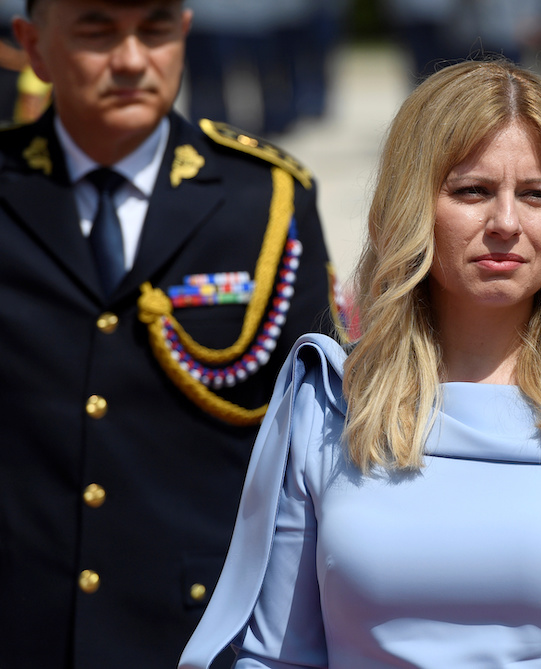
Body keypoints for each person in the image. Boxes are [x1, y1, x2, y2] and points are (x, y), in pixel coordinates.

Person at [180, 59, 541, 668]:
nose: (505, 223)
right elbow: (279, 657)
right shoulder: (330, 404)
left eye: (536, 195)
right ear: (410, 208)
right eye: (472, 192)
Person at [0, 0, 345, 667]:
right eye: (97, 31)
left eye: (155, 29)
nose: (131, 60)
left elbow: (316, 439)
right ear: (34, 46)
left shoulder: (265, 199)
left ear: (184, 32)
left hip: (199, 632)